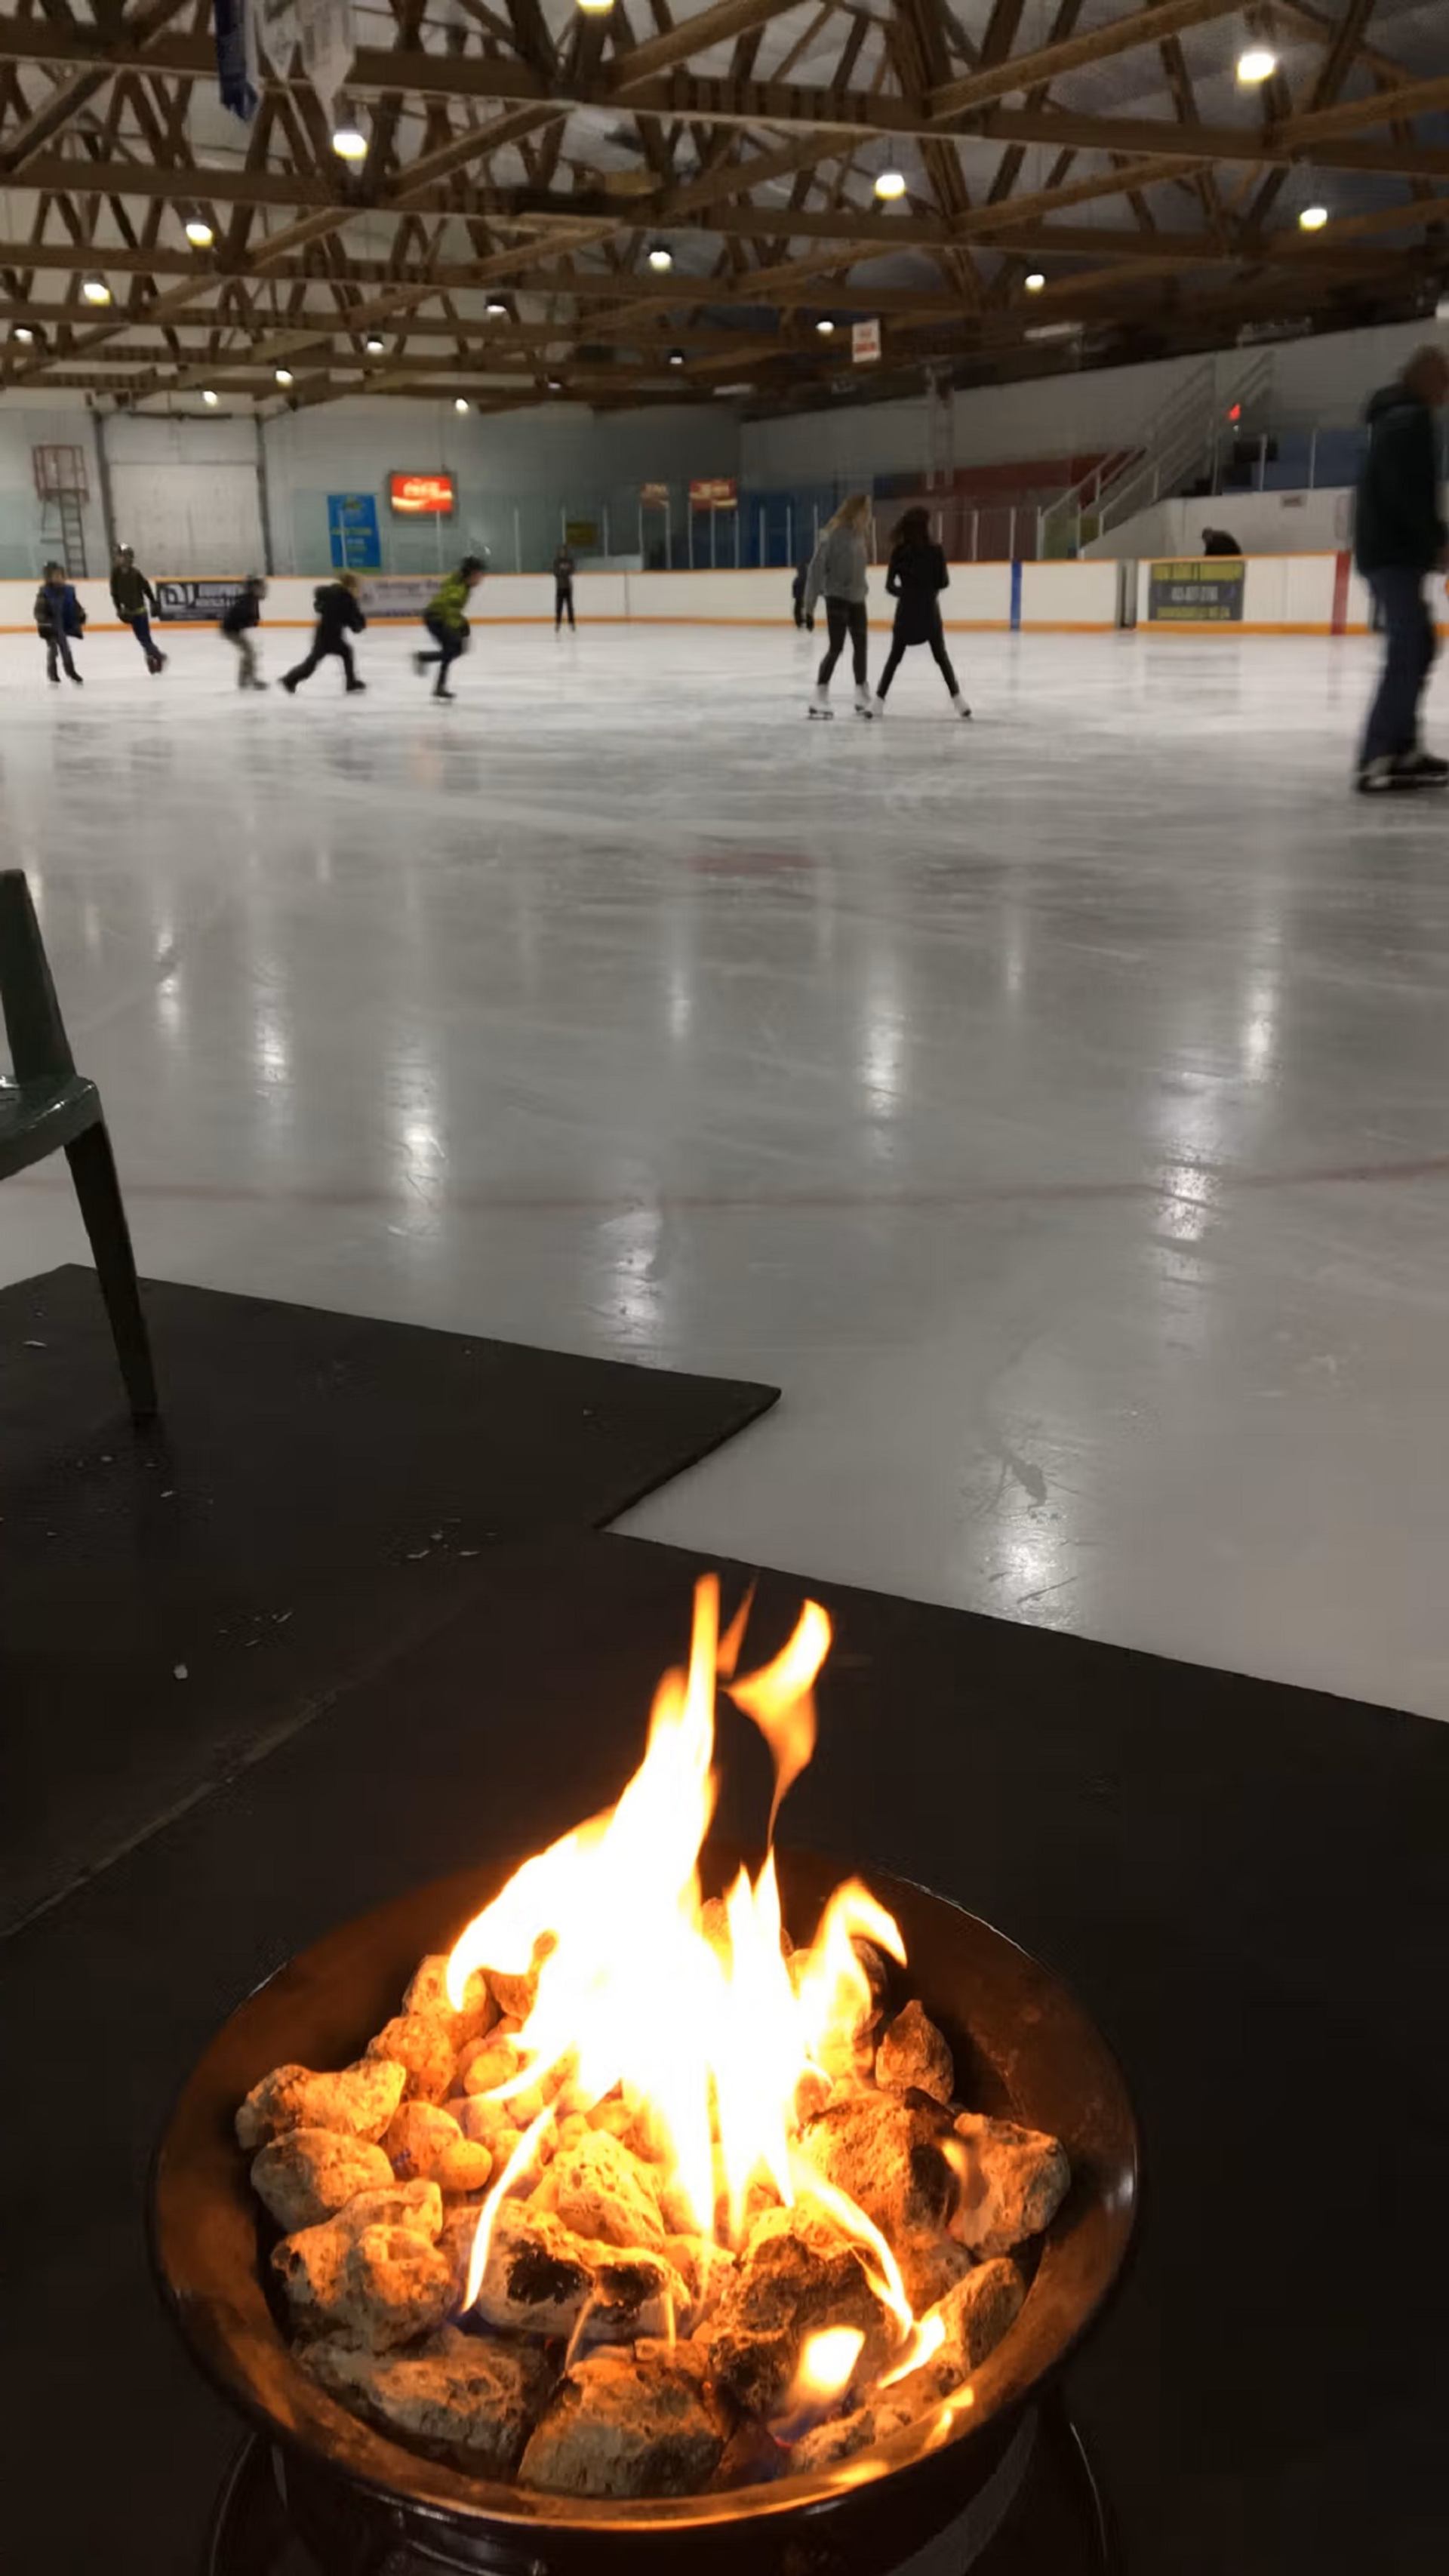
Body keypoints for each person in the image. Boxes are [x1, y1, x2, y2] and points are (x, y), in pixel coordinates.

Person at [1354, 343, 1449, 792]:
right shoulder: (1407, 421)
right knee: (1409, 647)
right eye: (1443, 380)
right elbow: (1405, 493)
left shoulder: (1400, 418)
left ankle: (1403, 748)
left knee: (1419, 644)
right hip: (1392, 553)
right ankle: (1378, 758)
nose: (1446, 391)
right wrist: (1436, 542)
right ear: (1426, 379)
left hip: (1392, 551)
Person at [872, 507, 970, 720]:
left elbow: (890, 586)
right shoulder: (936, 551)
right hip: (929, 613)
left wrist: (907, 595)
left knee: (894, 658)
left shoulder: (899, 552)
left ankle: (878, 702)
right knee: (941, 657)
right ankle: (959, 701)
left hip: (906, 614)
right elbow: (944, 582)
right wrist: (926, 593)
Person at [804, 493, 874, 719]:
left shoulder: (859, 535)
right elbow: (815, 570)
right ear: (856, 511)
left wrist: (862, 588)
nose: (869, 515)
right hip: (836, 598)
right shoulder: (831, 534)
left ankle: (861, 693)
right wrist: (809, 606)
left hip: (857, 598)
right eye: (866, 510)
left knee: (861, 646)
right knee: (836, 647)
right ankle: (819, 694)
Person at [281, 571, 367, 695]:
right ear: (351, 585)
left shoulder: (332, 593)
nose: (359, 588)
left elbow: (319, 606)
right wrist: (358, 625)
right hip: (330, 634)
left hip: (324, 631)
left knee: (341, 653)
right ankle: (289, 680)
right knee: (316, 661)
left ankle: (290, 680)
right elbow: (352, 618)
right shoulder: (346, 598)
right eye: (357, 585)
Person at [415, 554, 485, 701]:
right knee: (454, 650)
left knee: (452, 651)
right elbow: (449, 610)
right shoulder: (459, 591)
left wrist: (462, 625)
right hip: (437, 619)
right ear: (471, 574)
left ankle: (439, 686)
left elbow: (452, 611)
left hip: (438, 617)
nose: (481, 579)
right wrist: (456, 628)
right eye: (479, 575)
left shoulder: (461, 583)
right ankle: (424, 658)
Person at [109, 545, 166, 673]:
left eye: (123, 556)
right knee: (144, 639)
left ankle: (157, 656)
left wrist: (153, 601)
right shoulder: (115, 573)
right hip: (130, 612)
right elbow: (114, 593)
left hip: (140, 612)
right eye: (120, 556)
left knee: (144, 639)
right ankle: (153, 659)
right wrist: (118, 608)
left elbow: (146, 588)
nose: (120, 559)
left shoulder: (135, 573)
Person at [34, 561, 85, 685]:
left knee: (66, 649)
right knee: (53, 649)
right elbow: (39, 610)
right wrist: (43, 622)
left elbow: (75, 605)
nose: (59, 578)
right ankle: (52, 673)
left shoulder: (68, 591)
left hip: (61, 626)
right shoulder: (44, 593)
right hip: (50, 626)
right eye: (55, 576)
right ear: (48, 577)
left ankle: (71, 671)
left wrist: (80, 614)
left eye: (61, 575)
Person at [221, 576, 268, 690]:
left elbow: (252, 620)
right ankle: (248, 680)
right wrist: (250, 621)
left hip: (234, 629)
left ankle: (245, 679)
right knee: (249, 653)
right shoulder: (248, 601)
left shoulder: (251, 599)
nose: (264, 591)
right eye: (262, 588)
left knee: (249, 653)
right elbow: (244, 618)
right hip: (230, 630)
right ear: (254, 589)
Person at [552, 544, 577, 633]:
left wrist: (564, 571)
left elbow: (572, 570)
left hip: (568, 587)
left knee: (570, 607)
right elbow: (555, 572)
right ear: (559, 552)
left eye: (564, 551)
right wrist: (565, 571)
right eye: (561, 551)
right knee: (559, 607)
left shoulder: (570, 561)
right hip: (559, 587)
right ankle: (558, 624)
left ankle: (572, 624)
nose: (563, 552)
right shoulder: (556, 562)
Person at [791, 557, 810, 629]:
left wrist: (794, 595)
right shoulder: (806, 578)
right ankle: (803, 621)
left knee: (798, 609)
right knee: (803, 608)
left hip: (799, 596)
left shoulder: (798, 579)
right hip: (802, 595)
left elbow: (794, 587)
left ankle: (800, 622)